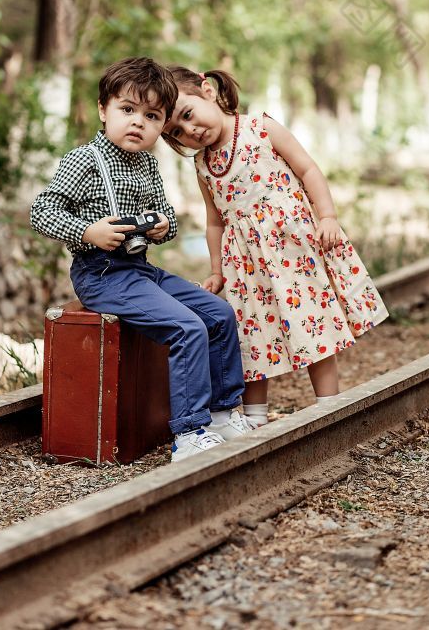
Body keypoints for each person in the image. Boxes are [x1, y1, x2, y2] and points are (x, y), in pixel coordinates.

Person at [31, 57, 254, 462]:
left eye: (152, 116)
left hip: (139, 269)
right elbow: (42, 210)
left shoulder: (148, 164)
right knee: (187, 328)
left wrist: (158, 228)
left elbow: (168, 219)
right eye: (127, 110)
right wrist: (87, 232)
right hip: (101, 274)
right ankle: (189, 434)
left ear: (162, 124)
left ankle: (223, 414)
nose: (138, 123)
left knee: (218, 315)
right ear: (104, 110)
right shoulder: (84, 160)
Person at [162, 66, 389, 427]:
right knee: (249, 332)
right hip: (246, 263)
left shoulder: (259, 128)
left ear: (207, 91)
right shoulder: (203, 166)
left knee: (311, 320)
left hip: (292, 248)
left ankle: (327, 405)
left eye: (187, 115)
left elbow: (308, 169)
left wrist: (327, 216)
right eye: (176, 131)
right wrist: (217, 269)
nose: (190, 130)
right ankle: (254, 418)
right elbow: (214, 221)